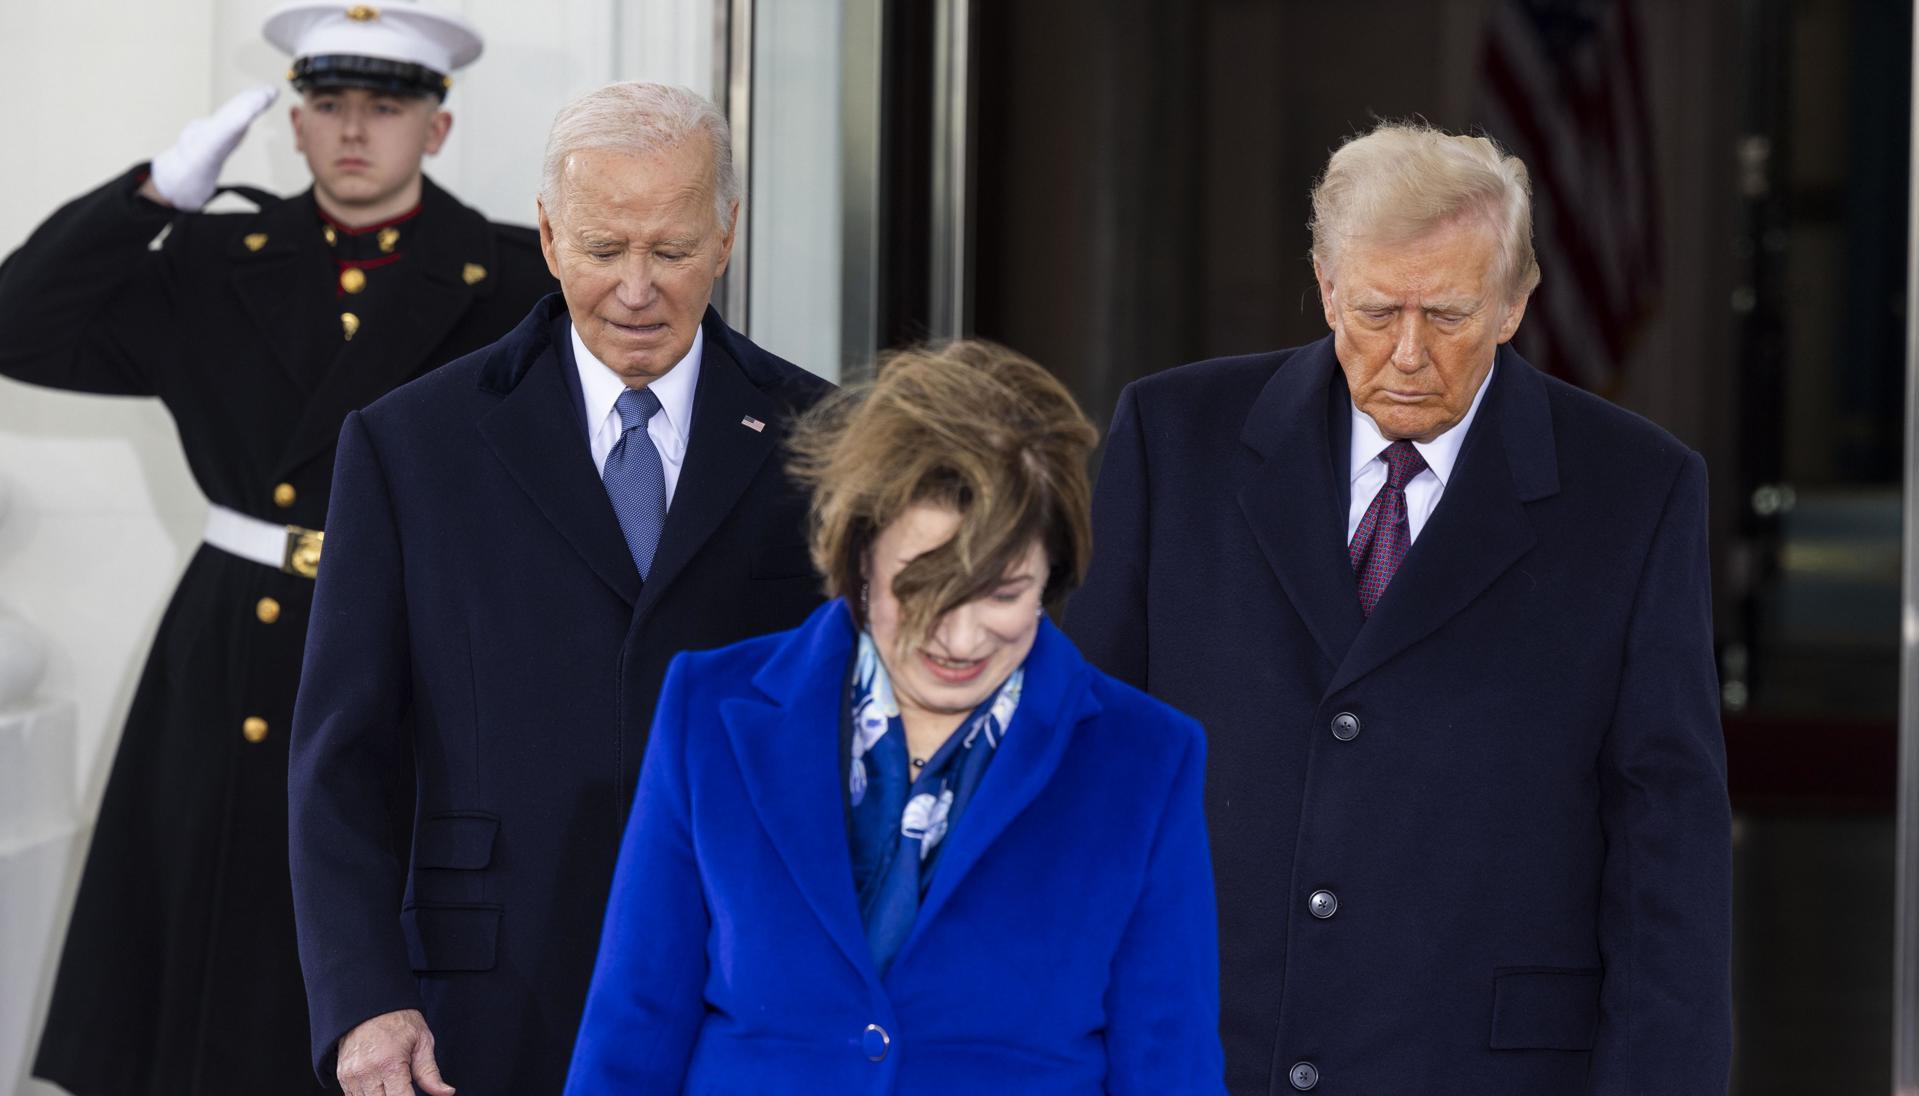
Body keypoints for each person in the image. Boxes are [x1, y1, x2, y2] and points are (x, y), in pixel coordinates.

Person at [1065, 121, 1731, 1094]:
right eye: (1375, 311)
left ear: (1514, 302)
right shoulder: (1173, 442)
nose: (1408, 353)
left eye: (1449, 314)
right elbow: (1086, 765)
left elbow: (1664, 846)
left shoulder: (1635, 491)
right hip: (1202, 1051)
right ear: (1326, 286)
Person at [3, 3, 555, 1092]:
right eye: (330, 105)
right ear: (294, 125)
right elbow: (19, 323)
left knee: (378, 943)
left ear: (435, 131)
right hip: (232, 642)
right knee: (214, 944)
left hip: (416, 638)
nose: (355, 131)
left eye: (386, 107)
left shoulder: (509, 281)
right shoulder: (211, 260)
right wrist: (156, 194)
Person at [287, 81, 832, 1095]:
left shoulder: (828, 439)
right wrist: (363, 998)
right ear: (546, 235)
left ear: (726, 236)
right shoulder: (410, 446)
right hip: (485, 997)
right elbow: (340, 761)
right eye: (601, 249)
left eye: (670, 252)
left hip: (754, 985)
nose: (636, 289)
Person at [563, 340, 1225, 1094]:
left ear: (1054, 574)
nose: (962, 637)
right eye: (923, 590)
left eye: (1004, 593)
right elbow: (633, 1028)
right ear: (856, 563)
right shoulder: (711, 711)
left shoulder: (1145, 759)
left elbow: (1170, 1066)